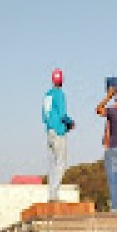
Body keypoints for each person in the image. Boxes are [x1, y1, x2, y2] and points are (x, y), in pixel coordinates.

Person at [96, 81, 117, 211]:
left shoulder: (113, 111)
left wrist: (108, 96)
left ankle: (114, 208)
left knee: (112, 179)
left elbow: (98, 109)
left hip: (111, 149)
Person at [42, 68, 75, 201]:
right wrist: (70, 123)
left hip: (49, 131)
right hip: (58, 131)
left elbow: (44, 117)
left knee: (53, 164)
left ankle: (52, 194)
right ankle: (54, 194)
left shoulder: (47, 95)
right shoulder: (59, 94)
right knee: (61, 163)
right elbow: (62, 115)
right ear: (62, 80)